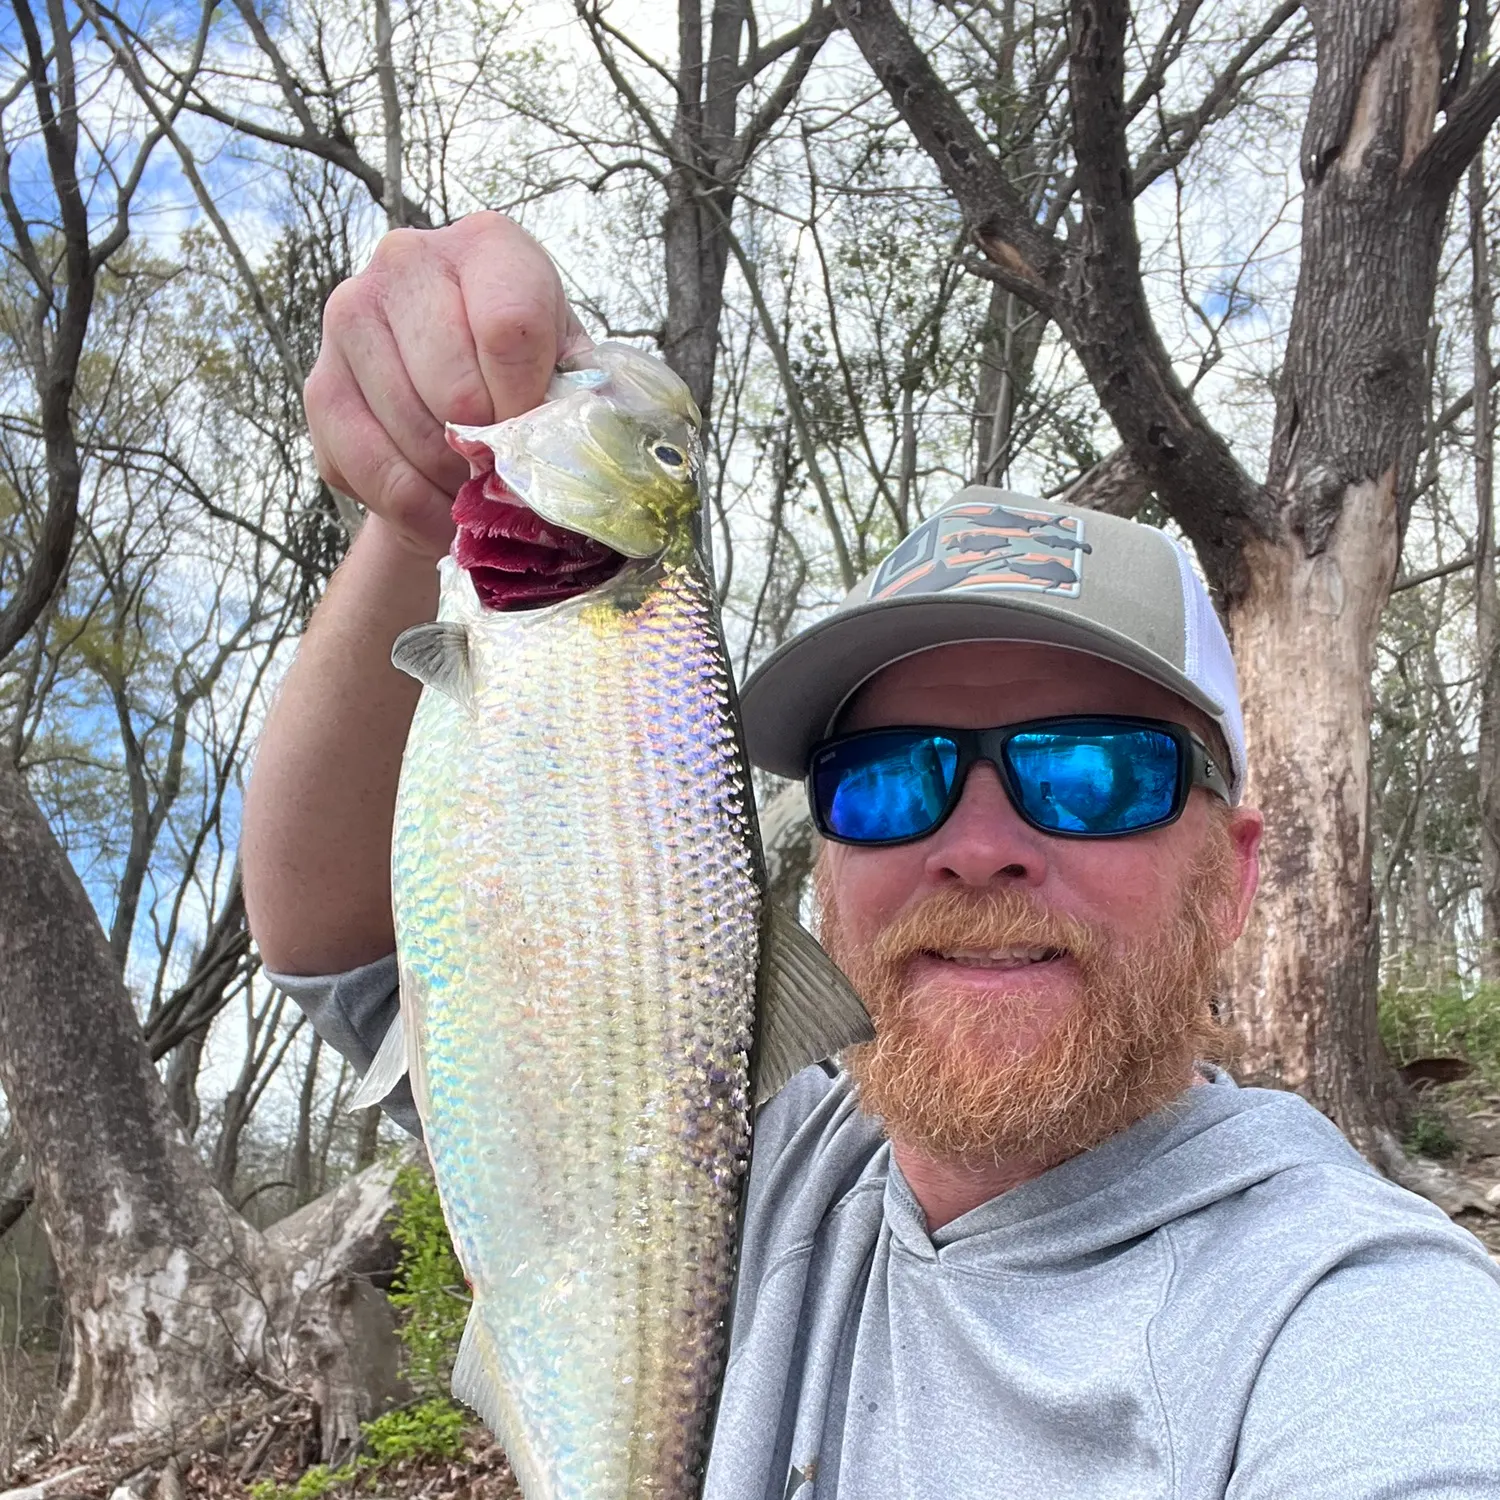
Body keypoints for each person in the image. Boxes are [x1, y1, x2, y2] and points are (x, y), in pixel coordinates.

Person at [244, 213, 1500, 1499]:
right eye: (890, 779)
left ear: (1230, 877)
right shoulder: (722, 1152)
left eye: (1092, 773)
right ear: (824, 874)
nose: (980, 848)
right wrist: (415, 516)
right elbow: (339, 950)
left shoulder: (1351, 1325)